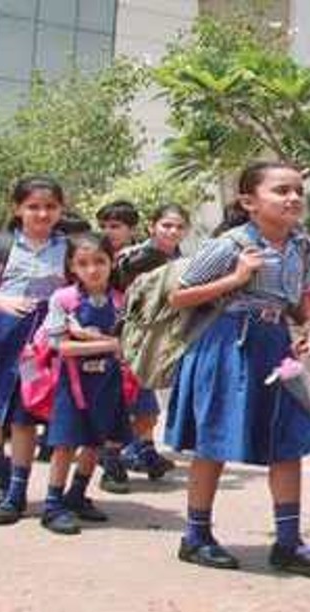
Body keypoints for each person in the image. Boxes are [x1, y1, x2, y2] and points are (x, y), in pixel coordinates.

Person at [166, 161, 310, 576]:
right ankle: (196, 537)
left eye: (298, 190)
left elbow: (298, 299)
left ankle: (288, 543)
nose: (293, 198)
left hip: (276, 347)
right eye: (281, 190)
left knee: (289, 437)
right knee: (214, 439)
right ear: (249, 201)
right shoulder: (230, 245)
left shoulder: (303, 245)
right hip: (226, 345)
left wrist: (309, 327)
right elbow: (179, 297)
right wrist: (236, 277)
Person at [0, 176, 72, 525]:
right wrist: (0, 302)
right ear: (17, 209)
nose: (42, 214)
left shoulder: (69, 249)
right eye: (33, 207)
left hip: (40, 344)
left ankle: (16, 493)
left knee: (24, 413)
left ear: (61, 209)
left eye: (50, 207)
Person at [37, 232, 132, 535]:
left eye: (100, 261)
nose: (93, 269)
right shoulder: (63, 299)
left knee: (95, 440)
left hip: (108, 382)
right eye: (83, 263)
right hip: (72, 384)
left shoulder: (121, 301)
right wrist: (109, 344)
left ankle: (77, 495)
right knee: (65, 443)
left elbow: (131, 345)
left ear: (111, 262)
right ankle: (53, 505)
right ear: (71, 266)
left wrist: (91, 338)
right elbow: (60, 346)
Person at [104, 202, 191, 491]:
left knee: (146, 404)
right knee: (126, 400)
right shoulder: (133, 258)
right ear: (152, 226)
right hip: (130, 337)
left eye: (179, 226)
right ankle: (114, 459)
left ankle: (142, 449)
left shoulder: (181, 260)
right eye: (167, 225)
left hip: (159, 337)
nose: (172, 231)